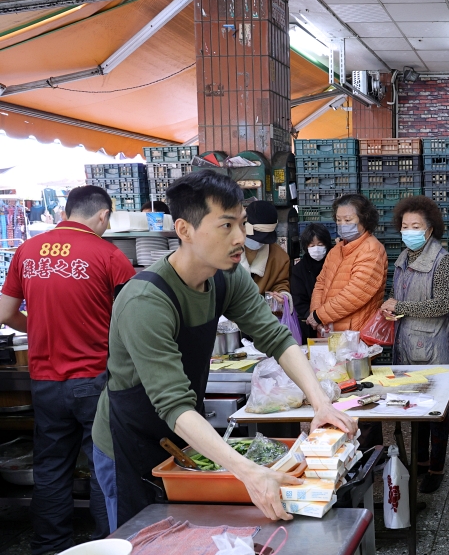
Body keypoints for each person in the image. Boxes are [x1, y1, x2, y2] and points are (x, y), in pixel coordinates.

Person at [90, 171, 356, 531]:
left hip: (188, 433)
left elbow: (276, 338)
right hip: (128, 441)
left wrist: (321, 404)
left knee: (191, 537)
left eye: (242, 224)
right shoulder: (145, 300)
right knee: (141, 543)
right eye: (226, 225)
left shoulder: (226, 277)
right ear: (184, 230)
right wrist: (249, 472)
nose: (240, 237)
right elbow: (173, 403)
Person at [0, 185, 135, 555]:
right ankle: (109, 548)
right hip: (95, 378)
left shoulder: (26, 251)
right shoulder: (108, 254)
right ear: (103, 216)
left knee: (51, 466)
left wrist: (36, 327)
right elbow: (135, 314)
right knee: (103, 464)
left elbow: (5, 313)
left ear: (66, 211)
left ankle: (49, 551)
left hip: (44, 379)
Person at [380, 196, 449, 493]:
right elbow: (397, 294)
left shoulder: (442, 260)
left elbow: (443, 304)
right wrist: (390, 306)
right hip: (406, 343)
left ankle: (436, 468)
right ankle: (420, 462)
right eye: (405, 225)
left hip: (433, 346)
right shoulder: (403, 257)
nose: (408, 230)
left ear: (430, 229)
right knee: (414, 408)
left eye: (416, 226)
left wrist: (403, 307)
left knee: (436, 411)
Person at [307, 193, 387, 334]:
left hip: (355, 334)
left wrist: (319, 316)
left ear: (364, 219)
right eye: (339, 220)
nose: (342, 224)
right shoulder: (336, 249)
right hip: (329, 330)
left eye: (348, 220)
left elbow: (355, 294)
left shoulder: (372, 250)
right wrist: (316, 314)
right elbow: (321, 283)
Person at [291, 223, 334, 339]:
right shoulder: (299, 270)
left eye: (320, 244)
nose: (316, 249)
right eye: (312, 245)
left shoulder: (334, 263)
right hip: (310, 325)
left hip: (335, 318)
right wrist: (314, 319)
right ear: (306, 247)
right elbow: (299, 300)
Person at [240, 200, 290, 298]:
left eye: (263, 239)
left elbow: (280, 284)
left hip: (261, 306)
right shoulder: (224, 250)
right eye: (255, 237)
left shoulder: (280, 257)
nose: (258, 242)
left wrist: (281, 295)